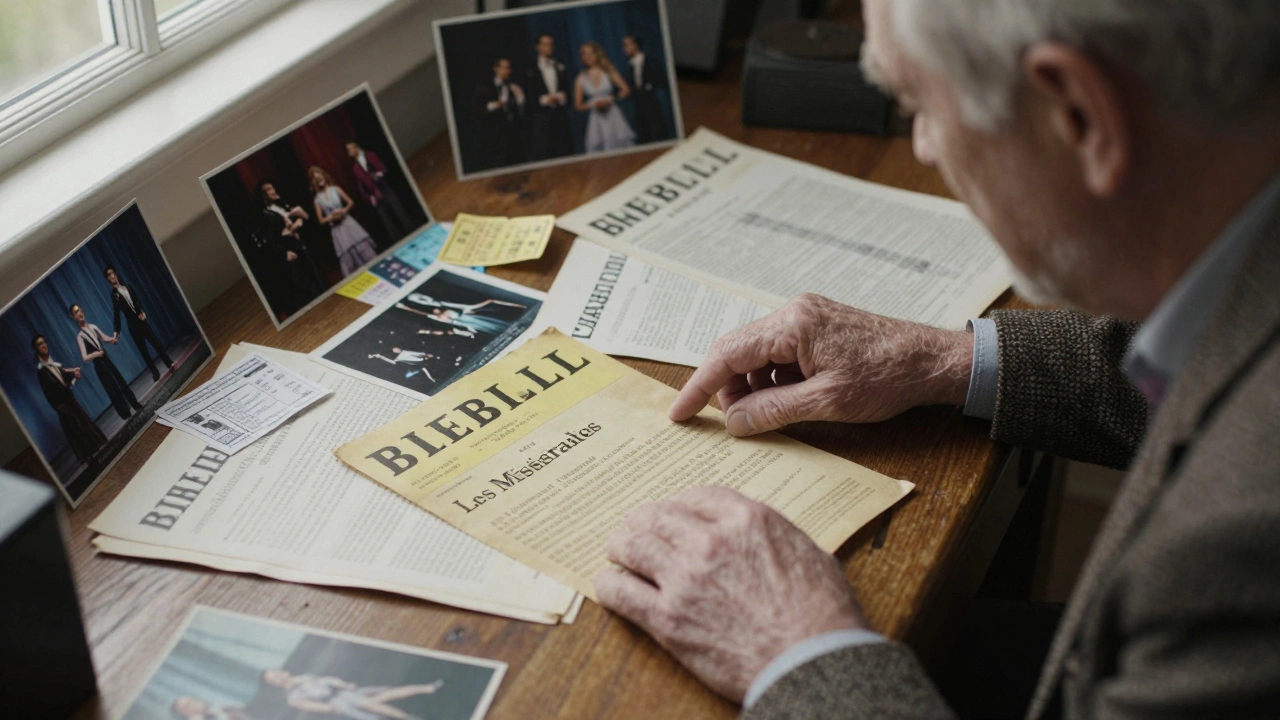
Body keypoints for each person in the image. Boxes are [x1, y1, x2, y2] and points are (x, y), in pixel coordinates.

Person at [593, 1, 1280, 719]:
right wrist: (945, 360)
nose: (923, 147)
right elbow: (1208, 363)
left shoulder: (1237, 550)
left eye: (920, 103)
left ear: (1078, 115)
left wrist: (800, 651)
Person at [33, 334, 106, 465]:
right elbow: (49, 393)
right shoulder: (42, 372)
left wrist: (74, 375)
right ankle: (90, 459)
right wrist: (60, 408)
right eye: (39, 344)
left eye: (44, 342)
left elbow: (64, 380)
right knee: (76, 432)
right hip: (63, 407)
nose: (43, 345)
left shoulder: (54, 364)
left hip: (71, 401)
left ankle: (98, 451)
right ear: (36, 349)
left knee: (84, 425)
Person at [260, 668, 442, 720]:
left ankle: (427, 688)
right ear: (273, 685)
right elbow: (322, 708)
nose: (278, 677)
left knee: (387, 694)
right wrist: (336, 701)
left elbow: (327, 679)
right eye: (273, 679)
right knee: (380, 706)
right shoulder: (293, 698)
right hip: (342, 702)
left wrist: (343, 684)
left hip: (346, 692)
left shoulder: (301, 677)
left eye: (276, 673)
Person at [259, 180, 326, 316]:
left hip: (299, 245)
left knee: (314, 277)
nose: (274, 191)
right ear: (264, 195)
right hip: (290, 250)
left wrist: (298, 221)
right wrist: (285, 252)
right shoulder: (267, 214)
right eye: (269, 189)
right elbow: (273, 238)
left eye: (273, 187)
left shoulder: (282, 206)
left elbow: (293, 225)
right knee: (304, 284)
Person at [72, 302, 143, 420]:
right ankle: (125, 413)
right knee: (112, 388)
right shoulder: (80, 336)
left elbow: (104, 337)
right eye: (76, 312)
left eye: (79, 310)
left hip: (106, 359)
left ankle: (135, 404)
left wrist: (113, 338)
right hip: (99, 364)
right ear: (74, 317)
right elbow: (85, 357)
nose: (79, 313)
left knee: (120, 381)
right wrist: (96, 354)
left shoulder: (93, 327)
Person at [104, 265, 174, 381]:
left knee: (156, 342)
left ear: (116, 274)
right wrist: (116, 332)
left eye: (113, 273)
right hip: (132, 325)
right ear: (108, 279)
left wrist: (142, 311)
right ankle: (154, 372)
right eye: (109, 275)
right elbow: (117, 314)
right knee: (144, 351)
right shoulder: (114, 295)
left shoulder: (128, 287)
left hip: (141, 320)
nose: (112, 276)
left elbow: (137, 301)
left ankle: (168, 362)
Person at [310, 166, 378, 276]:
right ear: (314, 182)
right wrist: (331, 217)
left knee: (367, 253)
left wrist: (343, 211)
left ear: (324, 176)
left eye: (320, 177)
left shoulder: (335, 189)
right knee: (350, 262)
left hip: (348, 224)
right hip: (338, 231)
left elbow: (350, 202)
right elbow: (321, 220)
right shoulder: (317, 200)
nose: (319, 180)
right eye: (316, 179)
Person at [347, 140, 415, 242]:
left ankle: (413, 233)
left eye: (349, 149)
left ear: (355, 147)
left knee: (399, 211)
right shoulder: (356, 168)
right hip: (374, 194)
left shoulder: (370, 155)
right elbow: (361, 186)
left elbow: (383, 168)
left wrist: (379, 174)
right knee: (387, 221)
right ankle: (398, 241)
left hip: (383, 187)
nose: (349, 153)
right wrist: (369, 197)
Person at [574, 41, 634, 153]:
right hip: (596, 119)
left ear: (597, 54)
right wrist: (593, 105)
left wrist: (610, 100)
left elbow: (626, 90)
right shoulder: (581, 78)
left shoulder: (608, 71)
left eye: (590, 53)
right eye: (584, 54)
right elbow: (578, 105)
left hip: (613, 115)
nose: (588, 57)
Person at [525, 34, 575, 160]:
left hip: (560, 116)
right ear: (538, 47)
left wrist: (562, 97)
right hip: (541, 118)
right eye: (545, 44)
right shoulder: (530, 69)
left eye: (551, 44)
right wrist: (544, 99)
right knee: (544, 152)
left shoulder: (559, 66)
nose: (550, 47)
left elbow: (568, 91)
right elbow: (528, 96)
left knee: (564, 151)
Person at [472, 58, 526, 170]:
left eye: (509, 68)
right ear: (496, 69)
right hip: (494, 136)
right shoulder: (484, 87)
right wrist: (493, 106)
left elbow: (519, 110)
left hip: (512, 134)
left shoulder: (512, 86)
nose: (508, 71)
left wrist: (520, 98)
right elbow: (477, 110)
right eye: (505, 68)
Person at [622, 34, 671, 144]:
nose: (624, 49)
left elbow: (661, 81)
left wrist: (650, 88)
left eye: (626, 45)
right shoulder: (628, 66)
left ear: (635, 45)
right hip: (638, 104)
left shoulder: (652, 61)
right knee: (643, 132)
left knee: (657, 129)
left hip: (653, 101)